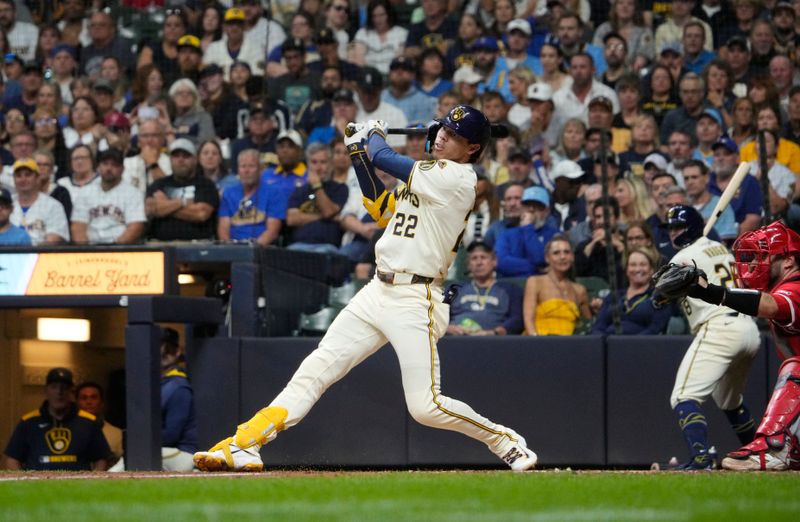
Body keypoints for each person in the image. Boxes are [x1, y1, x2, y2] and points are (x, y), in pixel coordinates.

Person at [193, 105, 538, 473]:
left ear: (471, 148)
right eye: (442, 129)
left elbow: (384, 157)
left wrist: (372, 137)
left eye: (453, 135)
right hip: (378, 289)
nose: (441, 137)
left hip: (415, 297)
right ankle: (244, 444)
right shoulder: (427, 177)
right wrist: (359, 153)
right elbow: (380, 208)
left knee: (425, 406)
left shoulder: (458, 178)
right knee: (316, 368)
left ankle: (505, 440)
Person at [666, 220, 800, 471]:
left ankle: (771, 448)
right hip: (743, 327)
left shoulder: (796, 286)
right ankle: (779, 450)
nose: (753, 265)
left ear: (789, 261)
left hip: (720, 325)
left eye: (765, 257)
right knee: (730, 400)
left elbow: (770, 305)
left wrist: (712, 293)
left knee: (796, 368)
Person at [655, 205, 761, 470]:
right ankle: (759, 454)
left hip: (719, 327)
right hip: (748, 329)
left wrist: (662, 293)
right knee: (729, 401)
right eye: (670, 228)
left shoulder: (685, 255)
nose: (672, 233)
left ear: (690, 228)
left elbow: (659, 296)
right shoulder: (718, 248)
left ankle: (701, 458)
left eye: (677, 227)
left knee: (683, 396)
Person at [110, 328, 199, 472]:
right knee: (132, 458)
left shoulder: (178, 386)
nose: (163, 352)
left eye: (168, 348)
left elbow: (172, 434)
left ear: (177, 352)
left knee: (125, 464)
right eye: (158, 347)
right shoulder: (156, 383)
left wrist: (139, 443)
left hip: (184, 453)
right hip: (163, 450)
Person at [3, 367, 110, 471]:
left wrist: (92, 484)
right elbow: (12, 460)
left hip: (78, 487)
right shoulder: (29, 422)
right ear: (46, 390)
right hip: (38, 487)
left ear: (71, 391)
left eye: (64, 387)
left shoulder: (88, 422)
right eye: (54, 387)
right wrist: (24, 484)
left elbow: (101, 460)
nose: (59, 392)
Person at [145, 139, 220, 241]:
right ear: (170, 159)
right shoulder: (159, 184)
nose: (180, 160)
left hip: (198, 246)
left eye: (186, 156)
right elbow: (152, 209)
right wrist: (183, 202)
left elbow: (200, 214)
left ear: (195, 159)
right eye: (176, 156)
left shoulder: (206, 185)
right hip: (161, 245)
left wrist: (165, 204)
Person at [70, 148, 146, 245]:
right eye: (105, 164)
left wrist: (113, 250)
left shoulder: (133, 193)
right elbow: (78, 226)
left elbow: (136, 227)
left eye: (114, 165)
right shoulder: (85, 192)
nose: (109, 168)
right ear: (98, 167)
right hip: (90, 249)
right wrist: (85, 250)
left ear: (122, 169)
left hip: (121, 250)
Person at [447, 241, 523, 336]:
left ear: (494, 262)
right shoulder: (454, 289)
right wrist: (447, 328)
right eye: (474, 258)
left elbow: (517, 320)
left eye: (483, 257)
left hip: (493, 342)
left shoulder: (511, 290)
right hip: (455, 339)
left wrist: (494, 333)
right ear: (468, 265)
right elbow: (437, 315)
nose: (479, 263)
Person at [522, 235, 591, 336]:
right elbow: (528, 319)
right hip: (539, 342)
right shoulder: (535, 282)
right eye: (556, 253)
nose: (562, 257)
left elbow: (588, 325)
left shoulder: (579, 290)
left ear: (572, 257)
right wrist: (535, 343)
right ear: (547, 258)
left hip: (569, 345)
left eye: (567, 252)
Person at [591, 247, 671, 335]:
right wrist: (604, 344)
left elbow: (655, 328)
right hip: (608, 344)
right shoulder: (613, 296)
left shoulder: (659, 297)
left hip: (640, 345)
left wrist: (631, 344)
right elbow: (599, 326)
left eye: (643, 265)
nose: (637, 269)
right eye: (633, 265)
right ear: (626, 270)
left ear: (651, 270)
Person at [218, 149, 284, 245]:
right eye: (243, 166)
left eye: (251, 166)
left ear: (260, 170)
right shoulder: (228, 193)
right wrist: (231, 250)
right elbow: (223, 229)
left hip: (262, 250)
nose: (246, 171)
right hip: (233, 251)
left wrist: (251, 251)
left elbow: (272, 232)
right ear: (238, 170)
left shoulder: (274, 193)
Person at [495, 186, 560, 277]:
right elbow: (500, 262)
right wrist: (536, 268)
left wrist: (528, 228)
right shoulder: (506, 234)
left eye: (538, 206)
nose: (531, 209)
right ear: (521, 207)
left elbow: (540, 259)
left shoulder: (555, 235)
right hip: (510, 286)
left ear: (547, 211)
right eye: (527, 205)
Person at [10, 158, 69, 244]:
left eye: (28, 175)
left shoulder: (53, 206)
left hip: (42, 255)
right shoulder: (6, 204)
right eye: (19, 175)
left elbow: (54, 239)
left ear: (37, 178)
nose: (23, 179)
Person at [76, 382, 123, 463]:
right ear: (77, 403)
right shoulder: (70, 431)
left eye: (93, 397)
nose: (89, 402)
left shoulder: (116, 433)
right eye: (84, 398)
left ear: (102, 403)